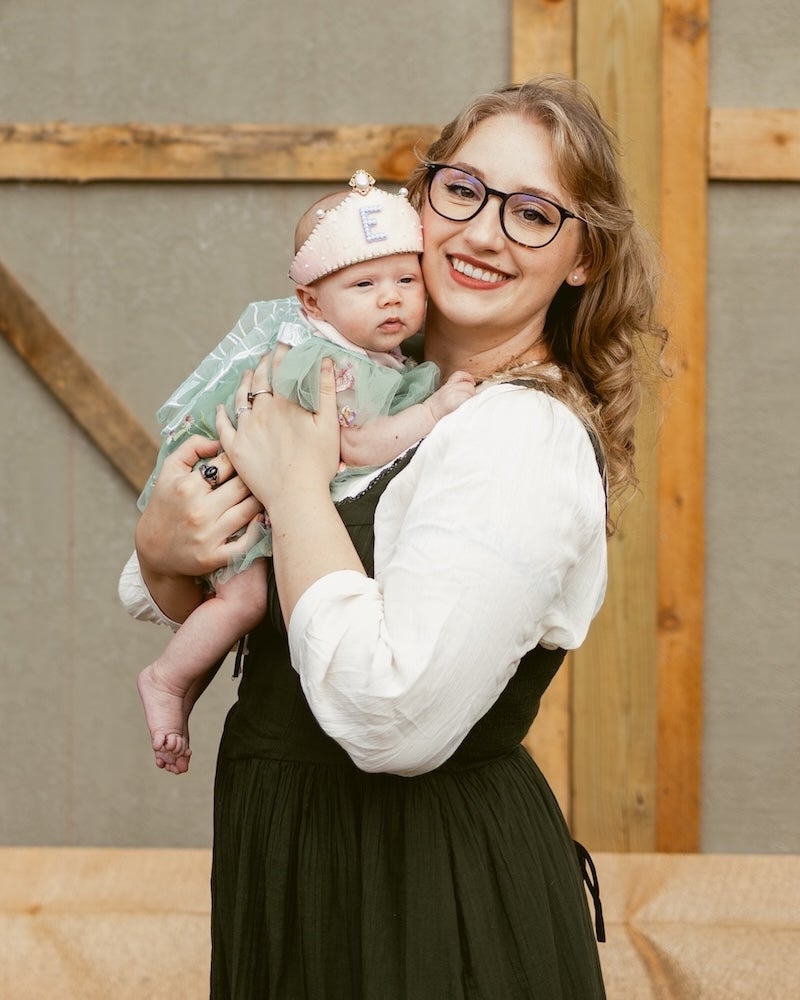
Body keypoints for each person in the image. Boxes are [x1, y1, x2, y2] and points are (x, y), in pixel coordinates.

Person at [120, 74, 666, 998]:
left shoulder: (516, 436)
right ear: (423, 200)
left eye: (534, 212)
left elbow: (394, 714)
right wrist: (158, 542)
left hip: (427, 897)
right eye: (463, 190)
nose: (484, 231)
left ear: (582, 257)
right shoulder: (362, 379)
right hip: (289, 873)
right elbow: (161, 588)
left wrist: (293, 491)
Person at [135, 173, 476, 774]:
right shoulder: (325, 364)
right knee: (242, 604)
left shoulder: (372, 355)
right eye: (364, 284)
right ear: (312, 303)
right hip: (234, 498)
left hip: (265, 505)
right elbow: (358, 445)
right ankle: (166, 680)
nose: (391, 298)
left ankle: (181, 690)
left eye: (406, 279)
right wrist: (434, 409)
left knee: (241, 607)